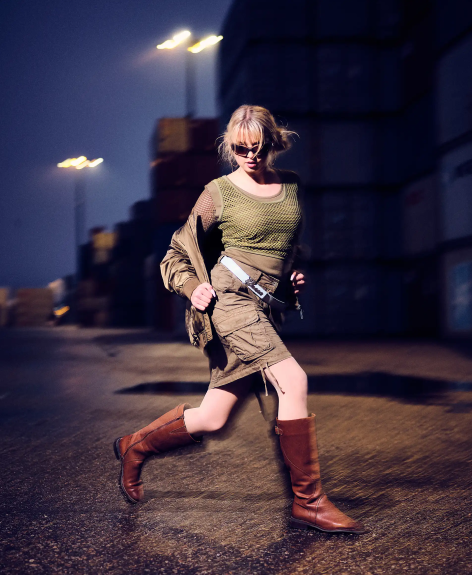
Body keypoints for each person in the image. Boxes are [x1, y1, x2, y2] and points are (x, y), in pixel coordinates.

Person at [113, 105, 366, 534]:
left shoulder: (291, 185)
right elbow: (175, 253)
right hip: (228, 300)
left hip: (264, 306)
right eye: (240, 148)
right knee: (294, 381)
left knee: (214, 418)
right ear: (229, 147)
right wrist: (191, 285)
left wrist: (290, 278)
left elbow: (283, 246)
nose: (249, 156)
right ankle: (309, 502)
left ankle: (134, 446)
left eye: (258, 147)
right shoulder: (219, 193)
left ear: (273, 143)